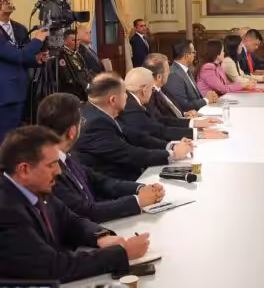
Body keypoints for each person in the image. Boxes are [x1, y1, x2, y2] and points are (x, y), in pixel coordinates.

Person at [0, 125, 150, 282]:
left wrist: (101, 237)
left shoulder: (34, 187)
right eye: (51, 164)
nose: (58, 171)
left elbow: (71, 220)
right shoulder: (6, 211)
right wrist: (120, 253)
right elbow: (53, 268)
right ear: (24, 170)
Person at [37, 93, 166, 223]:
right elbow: (84, 211)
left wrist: (141, 189)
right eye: (81, 121)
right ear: (72, 132)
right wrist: (137, 201)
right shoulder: (48, 168)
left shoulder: (67, 154)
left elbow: (101, 182)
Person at [73, 73, 194, 181]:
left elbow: (135, 136)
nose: (127, 97)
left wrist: (171, 146)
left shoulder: (98, 111)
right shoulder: (95, 124)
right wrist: (173, 154)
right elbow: (130, 154)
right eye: (124, 93)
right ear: (113, 100)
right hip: (117, 184)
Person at [122, 67, 228, 142]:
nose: (153, 91)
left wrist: (194, 123)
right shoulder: (132, 108)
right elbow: (159, 131)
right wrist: (199, 134)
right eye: (152, 88)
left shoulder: (134, 101)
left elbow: (161, 120)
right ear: (144, 90)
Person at [143, 53, 223, 132]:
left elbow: (173, 112)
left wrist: (185, 114)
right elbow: (164, 123)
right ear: (159, 77)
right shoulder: (150, 96)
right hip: (177, 133)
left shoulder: (162, 88)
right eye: (168, 70)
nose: (170, 72)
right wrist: (190, 123)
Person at [0, 16, 47, 140]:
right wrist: (37, 40)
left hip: (16, 92)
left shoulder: (17, 28)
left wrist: (36, 59)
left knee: (13, 138)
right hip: (6, 95)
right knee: (6, 140)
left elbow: (12, 58)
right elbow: (17, 55)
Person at [165, 40, 219, 113]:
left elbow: (194, 97)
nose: (195, 55)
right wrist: (206, 100)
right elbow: (183, 105)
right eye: (193, 52)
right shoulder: (174, 74)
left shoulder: (186, 70)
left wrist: (209, 97)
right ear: (186, 55)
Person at [197, 39, 264, 95]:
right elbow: (222, 88)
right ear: (217, 53)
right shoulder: (207, 68)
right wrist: (242, 85)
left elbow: (227, 84)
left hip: (219, 99)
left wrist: (245, 85)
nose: (224, 53)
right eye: (222, 51)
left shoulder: (217, 66)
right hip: (209, 104)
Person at [58, 29, 94, 101]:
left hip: (84, 88)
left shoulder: (77, 53)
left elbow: (84, 70)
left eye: (78, 40)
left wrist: (94, 81)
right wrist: (87, 86)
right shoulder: (62, 56)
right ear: (65, 42)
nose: (77, 43)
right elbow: (68, 77)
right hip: (73, 92)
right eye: (73, 40)